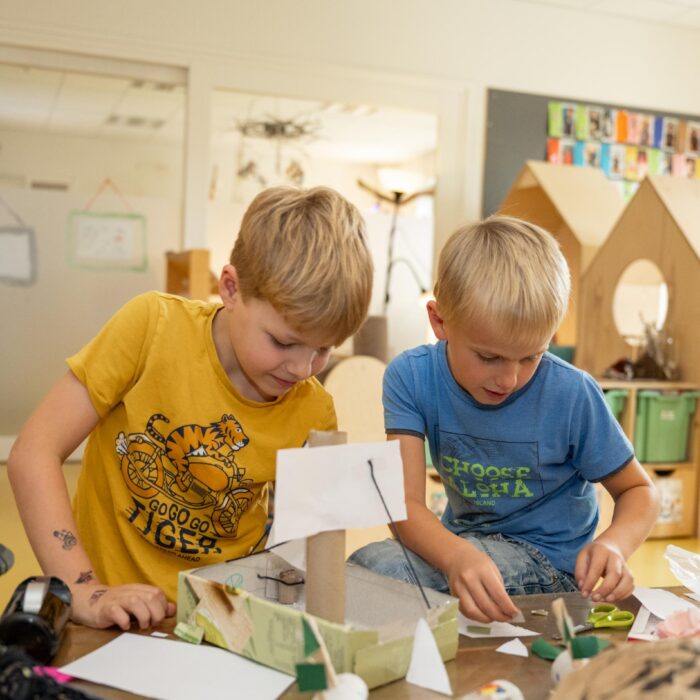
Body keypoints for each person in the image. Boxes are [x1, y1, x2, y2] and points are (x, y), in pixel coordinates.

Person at [9, 186, 373, 631]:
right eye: (283, 341)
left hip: (223, 619)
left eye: (324, 349)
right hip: (103, 610)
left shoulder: (315, 410)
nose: (303, 368)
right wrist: (83, 589)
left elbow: (310, 548)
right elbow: (34, 453)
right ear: (231, 288)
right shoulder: (151, 327)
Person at [349, 215, 658, 623]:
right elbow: (403, 505)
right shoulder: (411, 376)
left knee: (379, 573)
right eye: (489, 357)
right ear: (439, 321)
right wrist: (459, 555)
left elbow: (639, 490)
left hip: (551, 565)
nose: (509, 379)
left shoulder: (572, 393)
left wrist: (615, 546)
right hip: (466, 545)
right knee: (363, 569)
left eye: (532, 356)